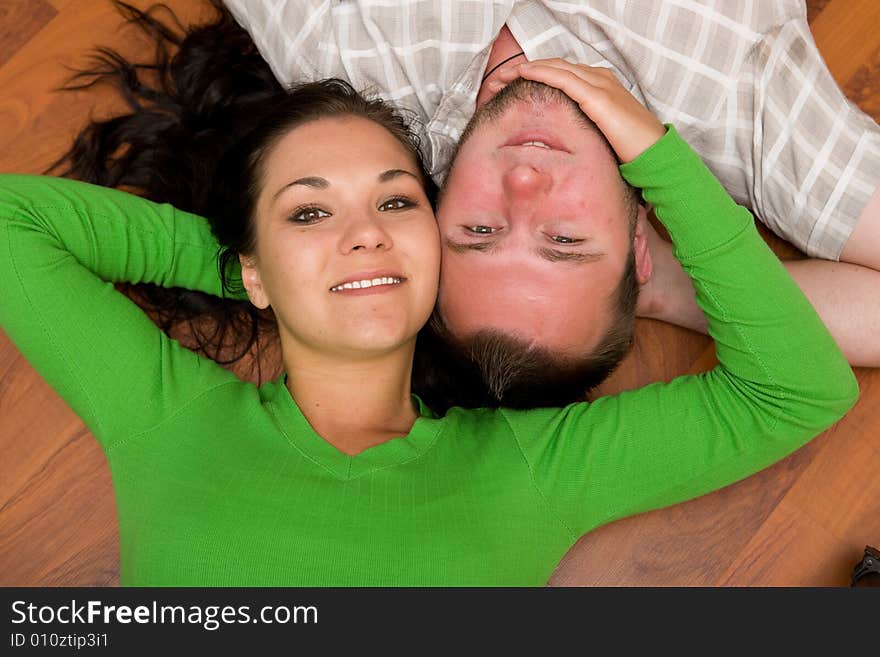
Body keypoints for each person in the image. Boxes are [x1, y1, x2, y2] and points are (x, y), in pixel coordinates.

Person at [0, 50, 859, 586]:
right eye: (310, 212)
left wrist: (657, 158)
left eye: (397, 202)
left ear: (442, 251)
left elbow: (794, 391)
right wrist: (266, 266)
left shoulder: (528, 470)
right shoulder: (172, 424)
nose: (363, 233)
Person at [224, 0, 880, 404]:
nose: (525, 185)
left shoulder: (353, 70)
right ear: (635, 248)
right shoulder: (744, 109)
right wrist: (669, 290)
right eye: (564, 240)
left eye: (479, 229)